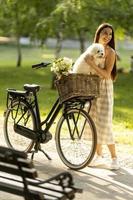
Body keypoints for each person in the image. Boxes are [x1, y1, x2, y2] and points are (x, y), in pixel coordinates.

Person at [84, 22, 119, 170]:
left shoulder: (110, 52)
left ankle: (114, 158)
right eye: (105, 32)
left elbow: (106, 75)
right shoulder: (92, 49)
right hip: (92, 88)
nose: (107, 36)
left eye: (110, 34)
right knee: (93, 120)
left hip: (104, 89)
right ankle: (98, 156)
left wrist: (92, 64)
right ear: (98, 33)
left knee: (104, 123)